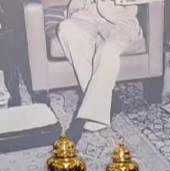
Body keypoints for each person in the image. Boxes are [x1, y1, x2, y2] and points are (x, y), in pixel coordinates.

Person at [57, 0, 144, 139]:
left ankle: (84, 118)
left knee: (107, 51)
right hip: (87, 15)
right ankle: (107, 98)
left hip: (120, 22)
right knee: (67, 29)